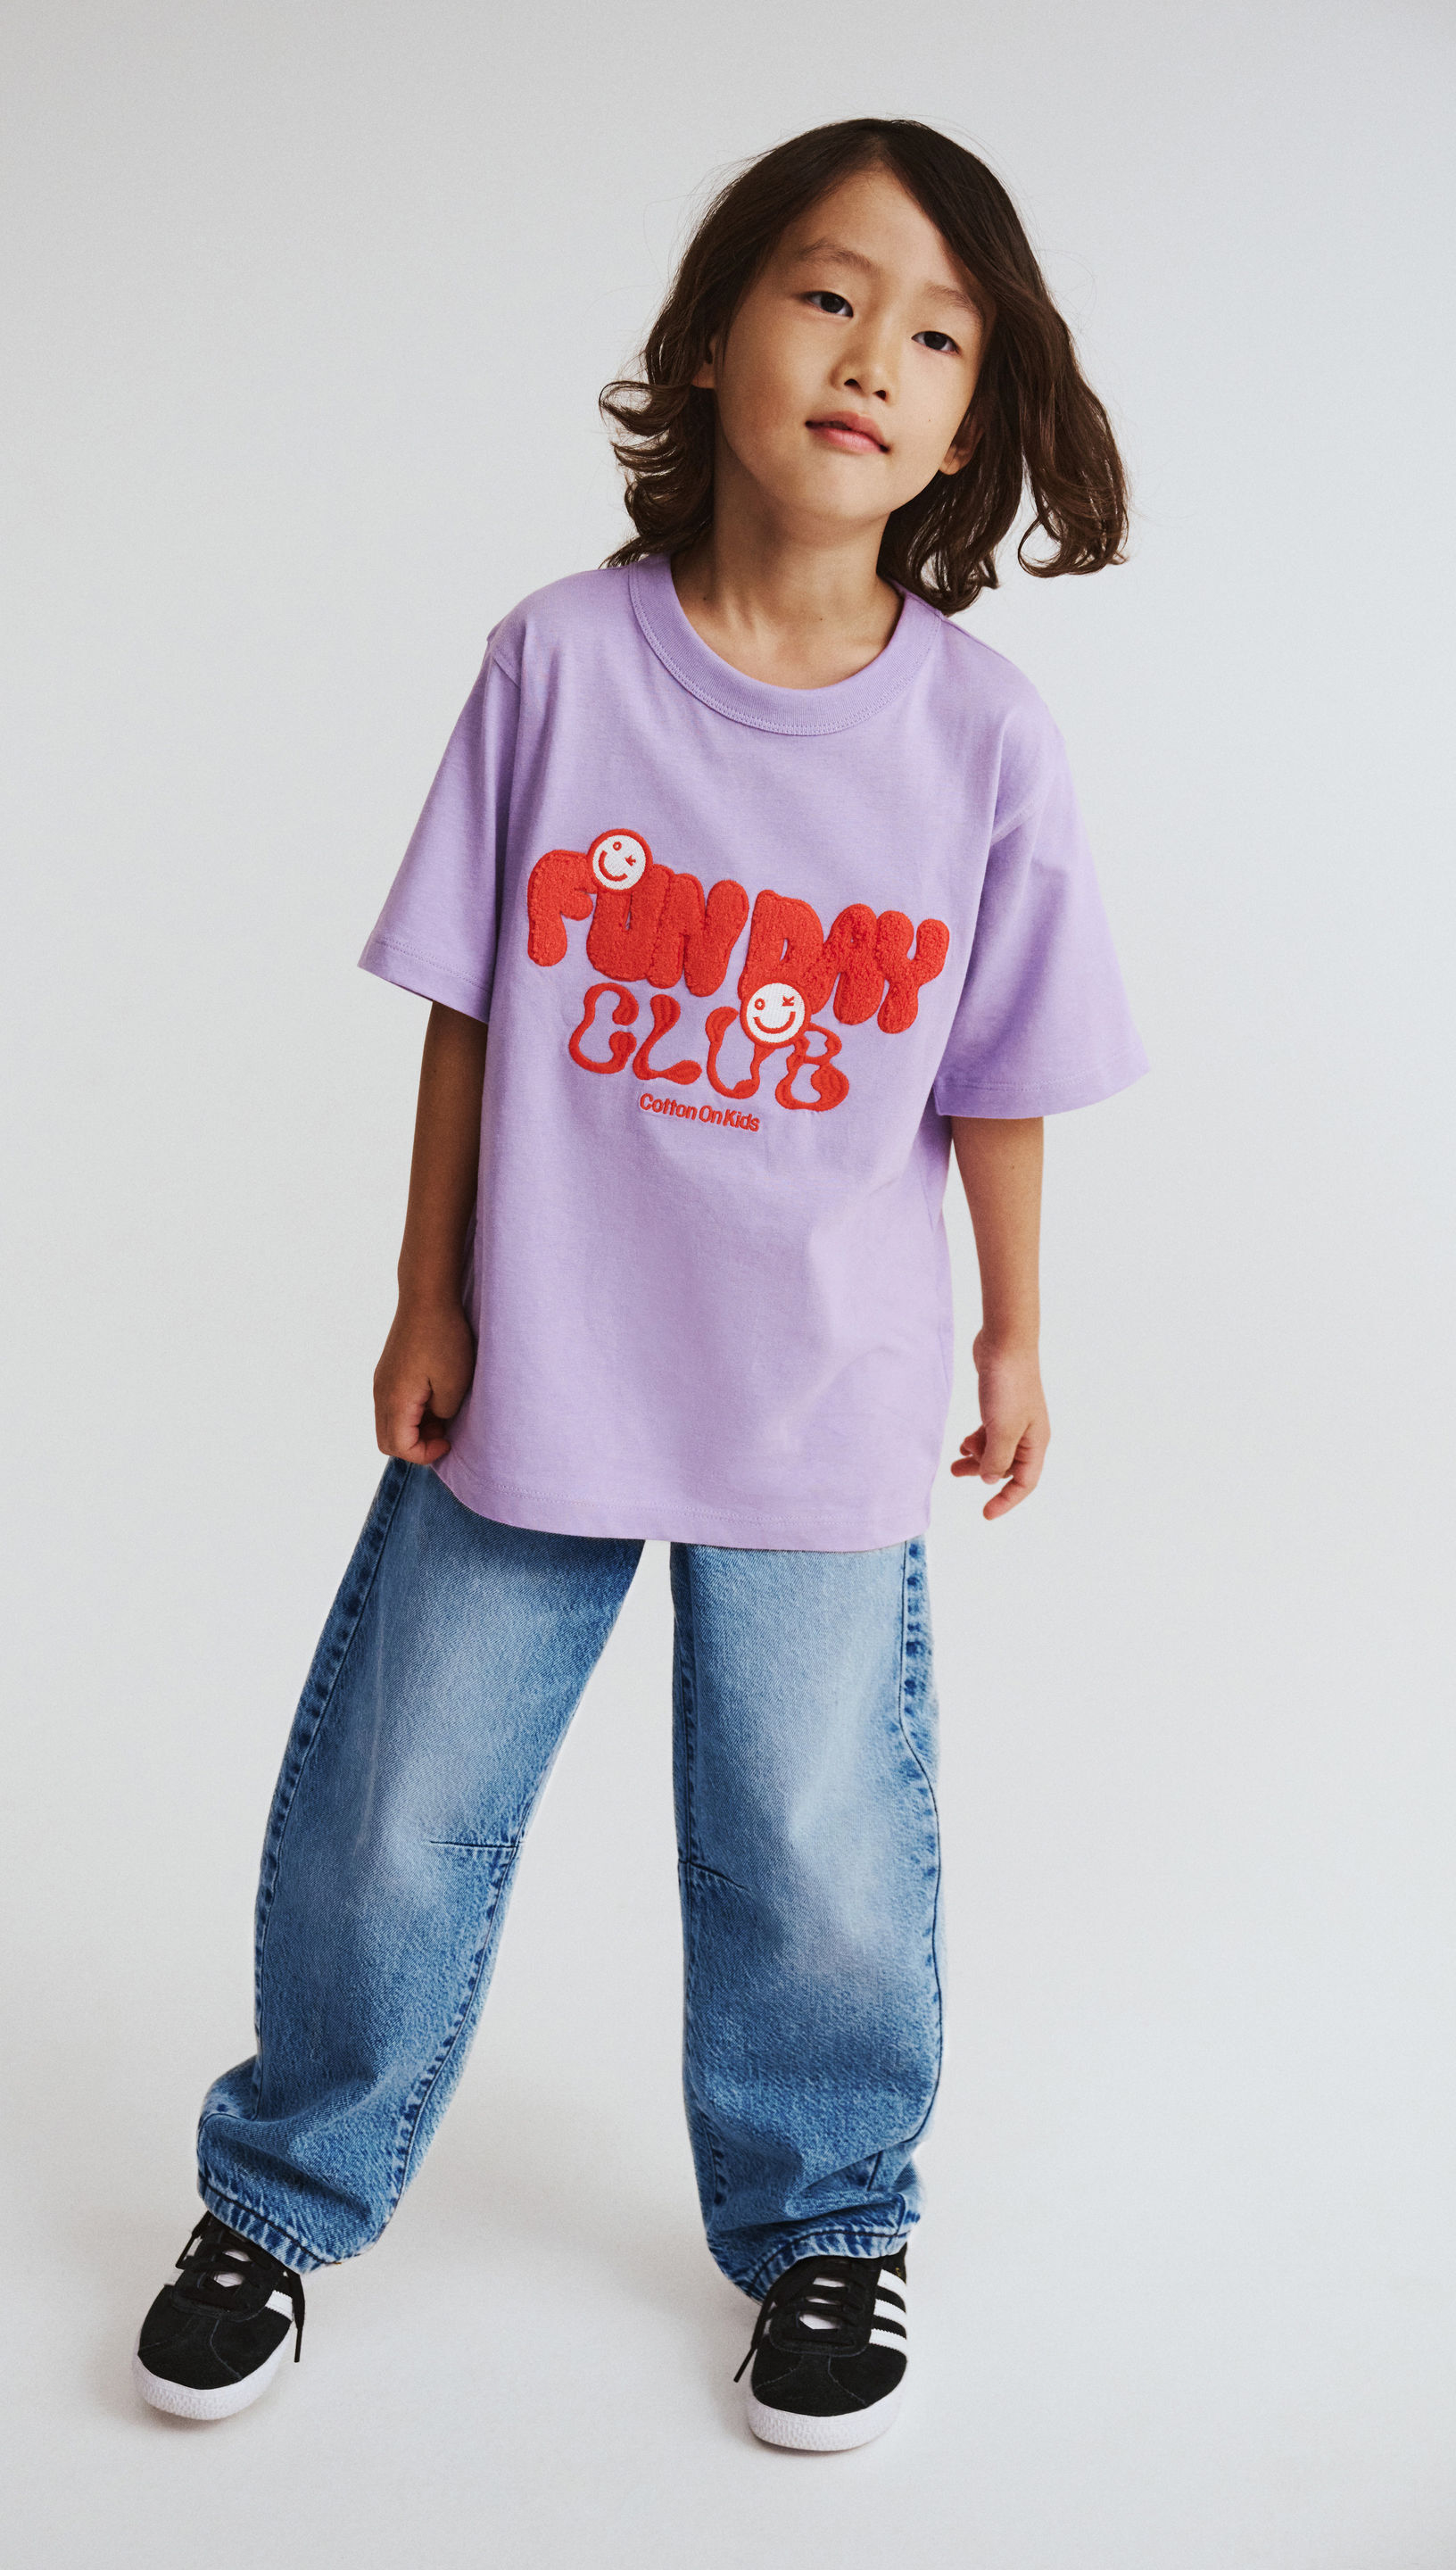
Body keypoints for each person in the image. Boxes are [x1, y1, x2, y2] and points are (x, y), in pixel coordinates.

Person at [134, 114, 1146, 2450]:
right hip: (548, 1362)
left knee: (814, 1847)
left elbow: (1001, 1073)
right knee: (397, 1806)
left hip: (825, 1391)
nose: (869, 358)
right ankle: (281, 2194)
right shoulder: (561, 664)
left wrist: (1013, 1332)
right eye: (826, 295)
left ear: (971, 425)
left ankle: (827, 2226)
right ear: (711, 343)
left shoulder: (983, 737)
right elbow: (472, 1009)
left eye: (935, 335)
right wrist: (428, 1296)